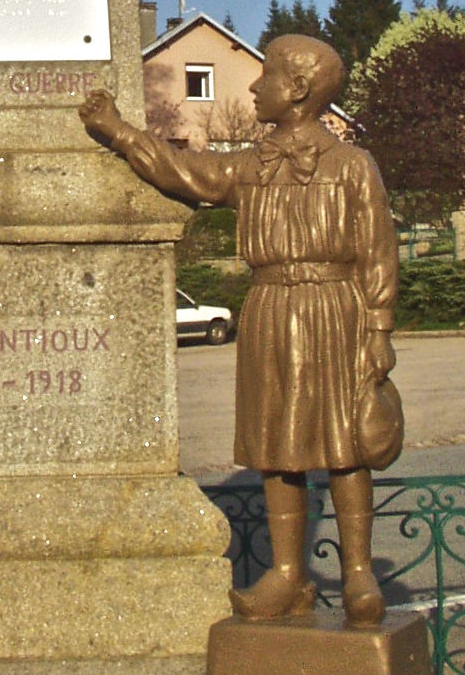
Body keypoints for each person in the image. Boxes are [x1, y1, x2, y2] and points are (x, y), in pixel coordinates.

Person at [79, 34, 400, 627]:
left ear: (298, 90)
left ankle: (358, 573)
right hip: (270, 310)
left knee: (346, 444)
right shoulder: (250, 165)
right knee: (276, 446)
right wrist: (121, 133)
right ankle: (285, 573)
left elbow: (379, 251)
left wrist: (378, 329)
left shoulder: (353, 165)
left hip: (337, 308)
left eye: (266, 76)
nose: (254, 87)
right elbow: (184, 171)